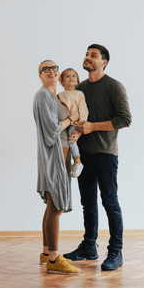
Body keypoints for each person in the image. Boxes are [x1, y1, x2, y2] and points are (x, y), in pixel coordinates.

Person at [63, 44, 132, 271]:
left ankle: (115, 252)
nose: (88, 58)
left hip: (105, 154)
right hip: (83, 156)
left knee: (110, 203)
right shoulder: (79, 88)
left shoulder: (114, 86)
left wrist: (92, 127)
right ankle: (89, 247)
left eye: (93, 55)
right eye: (86, 54)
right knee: (88, 204)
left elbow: (124, 119)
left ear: (104, 62)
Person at [33, 60, 80, 275]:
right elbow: (52, 130)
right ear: (40, 75)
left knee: (52, 205)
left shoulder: (54, 97)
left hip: (60, 158)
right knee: (56, 207)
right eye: (46, 69)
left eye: (54, 68)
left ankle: (45, 253)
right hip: (53, 158)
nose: (51, 71)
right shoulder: (43, 96)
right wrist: (70, 120)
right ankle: (53, 258)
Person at [58, 68, 88, 178]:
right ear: (61, 81)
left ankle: (77, 161)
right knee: (63, 142)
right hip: (64, 122)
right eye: (67, 76)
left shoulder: (79, 94)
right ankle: (67, 161)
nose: (71, 78)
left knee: (71, 138)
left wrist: (82, 124)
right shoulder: (59, 95)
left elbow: (83, 109)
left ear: (78, 80)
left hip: (75, 123)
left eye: (73, 76)